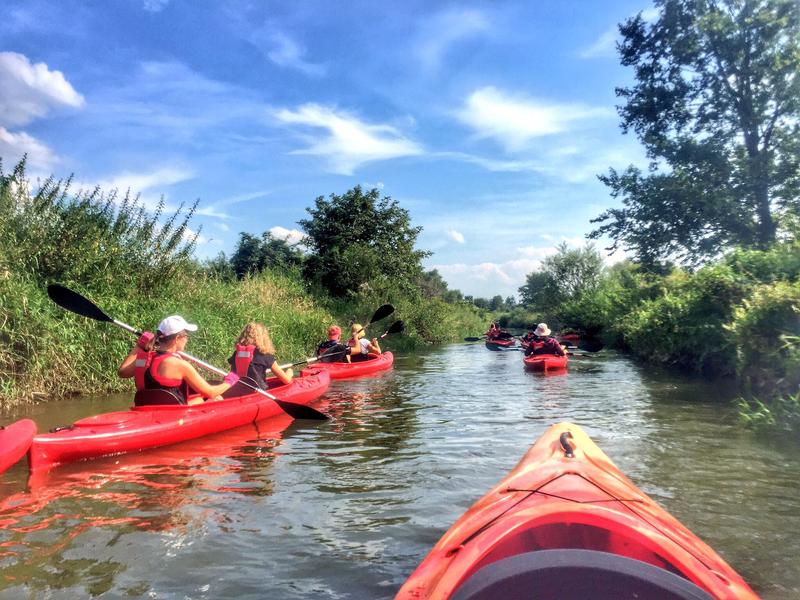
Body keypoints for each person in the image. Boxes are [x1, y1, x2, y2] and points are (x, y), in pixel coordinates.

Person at [118, 315, 239, 405]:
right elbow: (211, 392)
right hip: (173, 414)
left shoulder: (147, 358)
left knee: (199, 398)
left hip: (147, 408)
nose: (187, 339)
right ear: (177, 338)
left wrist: (139, 346)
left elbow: (122, 373)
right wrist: (230, 381)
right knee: (217, 398)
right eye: (186, 336)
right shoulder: (180, 365)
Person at [228, 322, 292, 389]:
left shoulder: (237, 353)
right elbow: (286, 380)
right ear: (264, 338)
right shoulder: (265, 355)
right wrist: (289, 372)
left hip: (238, 390)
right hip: (258, 392)